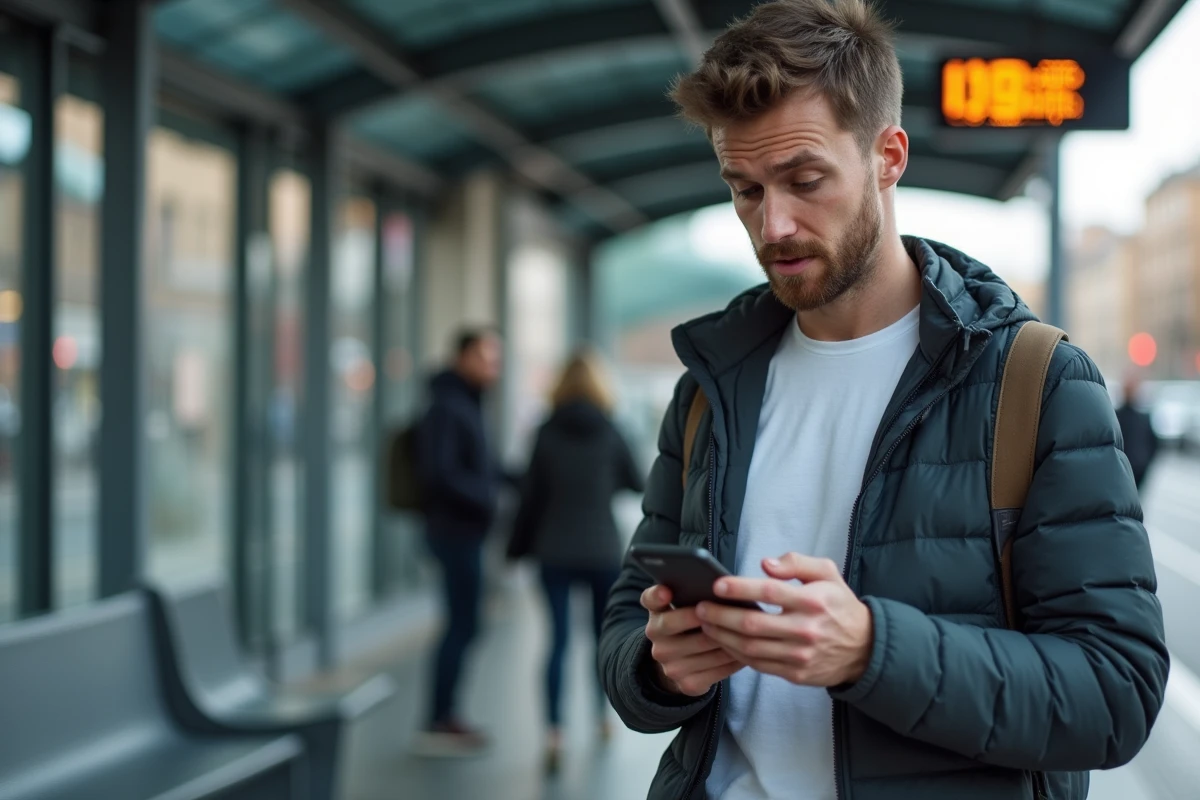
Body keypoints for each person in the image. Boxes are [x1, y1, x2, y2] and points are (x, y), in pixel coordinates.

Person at [597, 2, 1169, 799]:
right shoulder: (709, 389)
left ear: (888, 156)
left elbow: (1115, 695)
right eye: (745, 189)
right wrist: (659, 667)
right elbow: (626, 627)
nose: (773, 224)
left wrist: (872, 650)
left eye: (805, 181)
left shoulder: (1035, 382)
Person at [507, 350, 645, 774]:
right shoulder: (612, 429)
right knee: (602, 639)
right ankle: (603, 718)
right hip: (602, 550)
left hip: (554, 550)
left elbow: (530, 497)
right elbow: (637, 481)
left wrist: (515, 549)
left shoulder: (545, 433)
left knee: (557, 642)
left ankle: (554, 732)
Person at [413, 328, 504, 756]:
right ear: (462, 356)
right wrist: (488, 496)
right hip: (454, 533)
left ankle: (444, 715)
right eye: (485, 357)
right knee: (462, 624)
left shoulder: (466, 402)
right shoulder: (448, 406)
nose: (493, 367)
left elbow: (480, 467)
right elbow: (439, 473)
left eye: (496, 359)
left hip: (463, 531)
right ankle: (438, 719)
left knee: (464, 623)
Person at [1115, 375, 1160, 490]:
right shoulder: (1116, 416)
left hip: (1136, 467)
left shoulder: (1142, 417)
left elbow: (1154, 444)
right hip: (1125, 467)